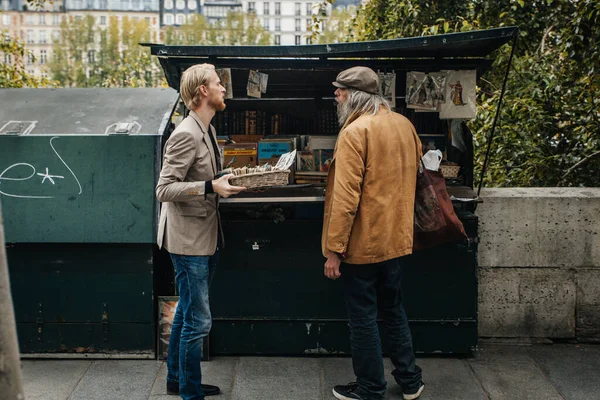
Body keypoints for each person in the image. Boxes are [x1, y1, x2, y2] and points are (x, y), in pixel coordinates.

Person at [322, 66, 425, 400]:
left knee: (363, 319)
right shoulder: (405, 125)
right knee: (394, 311)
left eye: (340, 90)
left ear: (355, 95)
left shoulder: (355, 132)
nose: (335, 95)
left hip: (363, 244)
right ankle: (410, 382)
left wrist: (334, 249)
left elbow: (345, 198)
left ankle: (370, 388)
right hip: (397, 239)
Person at [156, 63, 245, 400]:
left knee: (186, 314)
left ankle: (177, 380)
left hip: (204, 236)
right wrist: (210, 186)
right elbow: (164, 189)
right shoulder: (185, 133)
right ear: (203, 91)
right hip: (188, 241)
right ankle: (190, 393)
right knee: (198, 321)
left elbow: (207, 179)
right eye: (218, 83)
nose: (223, 88)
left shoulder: (205, 128)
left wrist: (228, 181)